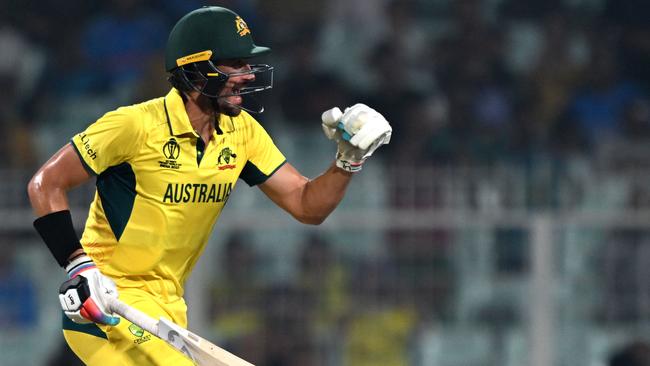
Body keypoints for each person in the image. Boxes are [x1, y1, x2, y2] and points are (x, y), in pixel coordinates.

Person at [26, 6, 391, 366]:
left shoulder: (243, 132)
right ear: (195, 69)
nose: (247, 75)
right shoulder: (134, 125)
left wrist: (348, 160)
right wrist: (79, 266)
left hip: (167, 310)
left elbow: (306, 206)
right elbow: (45, 184)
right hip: (107, 303)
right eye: (235, 63)